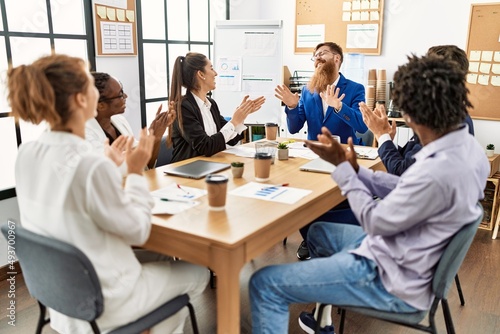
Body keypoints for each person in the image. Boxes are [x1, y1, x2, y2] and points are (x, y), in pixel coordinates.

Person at [249, 54, 489, 334]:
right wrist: (354, 168)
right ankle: (324, 316)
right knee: (319, 232)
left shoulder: (436, 170)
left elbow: (374, 221)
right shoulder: (465, 149)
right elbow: (405, 186)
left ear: (411, 115)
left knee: (264, 284)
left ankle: (334, 284)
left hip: (392, 278)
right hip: (407, 251)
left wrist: (344, 170)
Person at [8, 54, 209, 334]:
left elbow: (73, 189)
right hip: (103, 300)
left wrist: (116, 168)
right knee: (197, 272)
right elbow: (138, 231)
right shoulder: (89, 163)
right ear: (82, 99)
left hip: (60, 296)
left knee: (162, 257)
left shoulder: (27, 154)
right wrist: (136, 171)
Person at [296, 44, 477, 261]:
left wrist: (379, 139)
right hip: (415, 213)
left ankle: (342, 272)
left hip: (405, 232)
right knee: (323, 207)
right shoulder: (452, 118)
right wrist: (385, 142)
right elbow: (411, 163)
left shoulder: (443, 126)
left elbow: (401, 173)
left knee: (312, 215)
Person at [368, 45, 475, 176]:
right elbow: (409, 160)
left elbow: (402, 171)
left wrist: (382, 136)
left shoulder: (445, 122)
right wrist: (387, 140)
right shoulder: (449, 113)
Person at [168, 52, 266, 163]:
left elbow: (231, 140)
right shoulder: (183, 107)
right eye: (211, 68)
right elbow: (206, 147)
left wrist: (242, 116)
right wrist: (234, 121)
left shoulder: (211, 104)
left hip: (210, 166)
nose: (216, 73)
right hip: (187, 171)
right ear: (201, 74)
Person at [275, 42, 368, 143]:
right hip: (314, 152)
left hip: (344, 152)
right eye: (315, 56)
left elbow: (362, 127)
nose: (317, 58)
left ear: (337, 58)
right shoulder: (307, 90)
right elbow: (293, 129)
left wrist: (339, 107)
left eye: (322, 53)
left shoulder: (355, 89)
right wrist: (292, 107)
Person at [86, 72, 176, 169]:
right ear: (101, 105)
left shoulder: (120, 121)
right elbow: (111, 170)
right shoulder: (86, 133)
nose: (125, 96)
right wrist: (150, 138)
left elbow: (145, 165)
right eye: (120, 94)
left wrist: (156, 136)